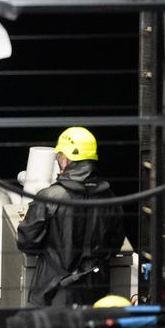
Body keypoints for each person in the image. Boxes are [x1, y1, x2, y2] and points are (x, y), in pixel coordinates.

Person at [16, 126, 124, 306]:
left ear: (65, 159)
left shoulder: (49, 197)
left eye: (59, 157)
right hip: (96, 292)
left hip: (54, 292)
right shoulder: (110, 199)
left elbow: (27, 242)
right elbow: (114, 246)